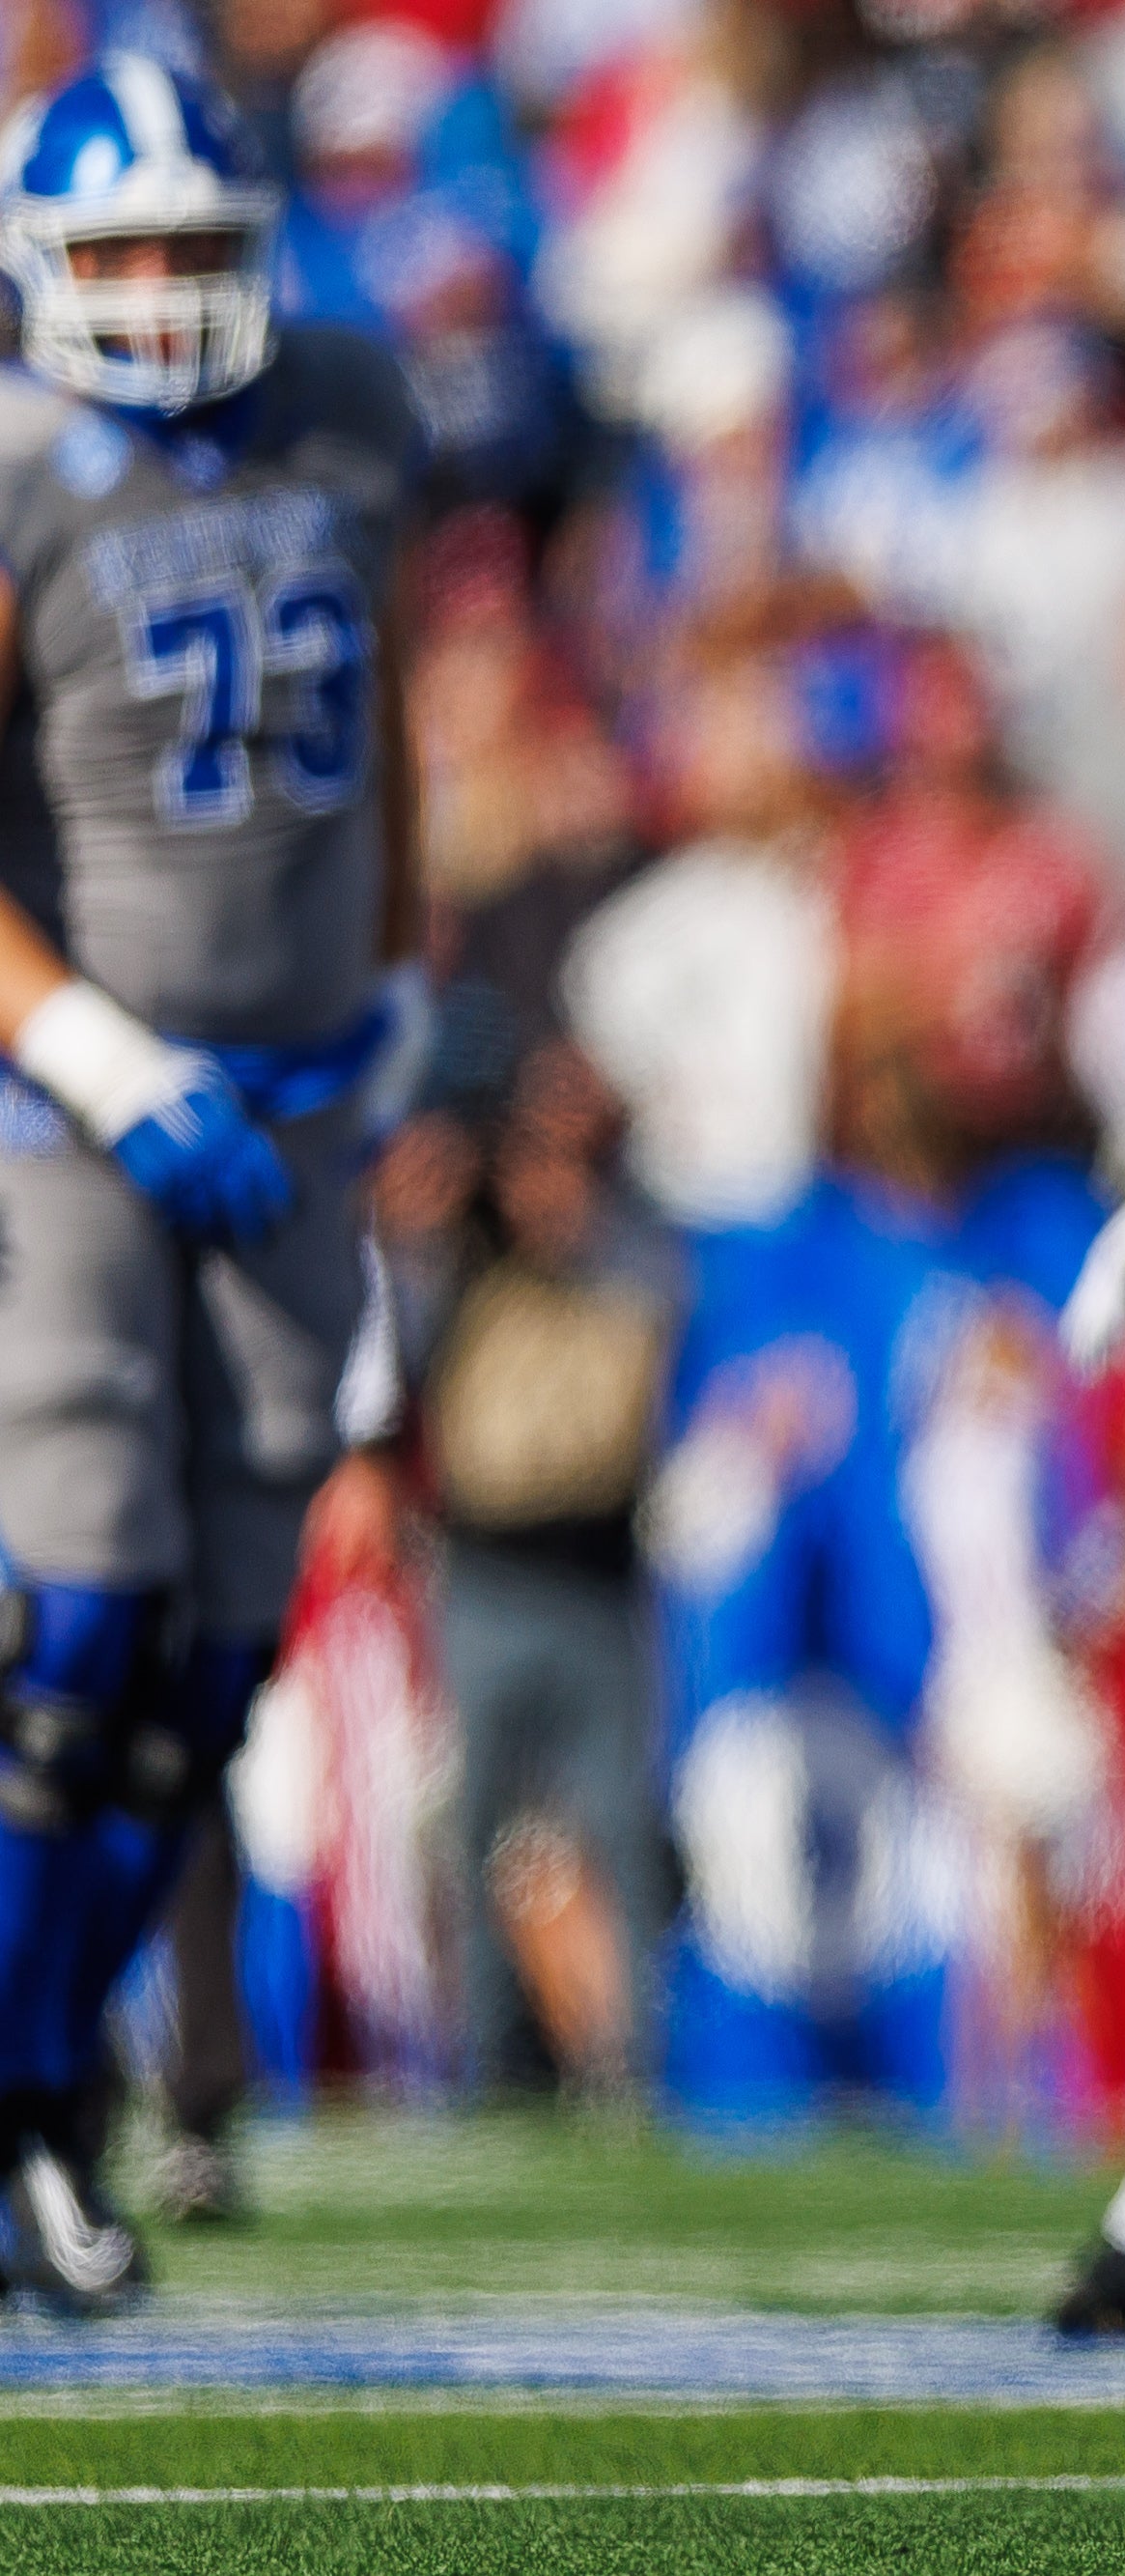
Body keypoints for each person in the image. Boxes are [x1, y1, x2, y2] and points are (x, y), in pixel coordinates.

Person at [0, 55, 428, 2311]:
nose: (163, 291)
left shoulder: (346, 408)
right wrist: (88, 1042)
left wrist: (402, 970)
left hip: (302, 1099)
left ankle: (51, 2092)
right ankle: (14, 2093)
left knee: (217, 1658)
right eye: (124, 252)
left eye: (195, 246)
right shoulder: (19, 466)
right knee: (75, 1621)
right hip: (68, 1108)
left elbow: (394, 718)